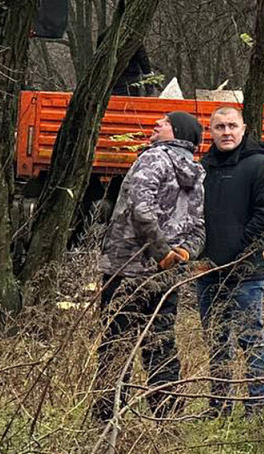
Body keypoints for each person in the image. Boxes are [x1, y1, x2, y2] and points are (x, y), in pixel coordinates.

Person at [92, 111, 205, 421]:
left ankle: (106, 418)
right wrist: (181, 254)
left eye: (164, 122)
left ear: (177, 131)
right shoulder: (196, 171)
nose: (156, 124)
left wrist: (162, 253)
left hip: (127, 267)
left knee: (117, 342)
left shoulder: (153, 158)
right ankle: (167, 417)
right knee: (161, 343)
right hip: (166, 275)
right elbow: (199, 227)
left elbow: (141, 212)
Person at [197, 106, 264, 417]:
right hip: (208, 271)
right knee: (216, 341)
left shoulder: (259, 165)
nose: (226, 132)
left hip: (246, 273)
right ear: (211, 131)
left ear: (244, 129)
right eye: (219, 127)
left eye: (232, 125)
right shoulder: (203, 167)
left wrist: (240, 252)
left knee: (251, 339)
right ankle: (219, 406)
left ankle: (257, 407)